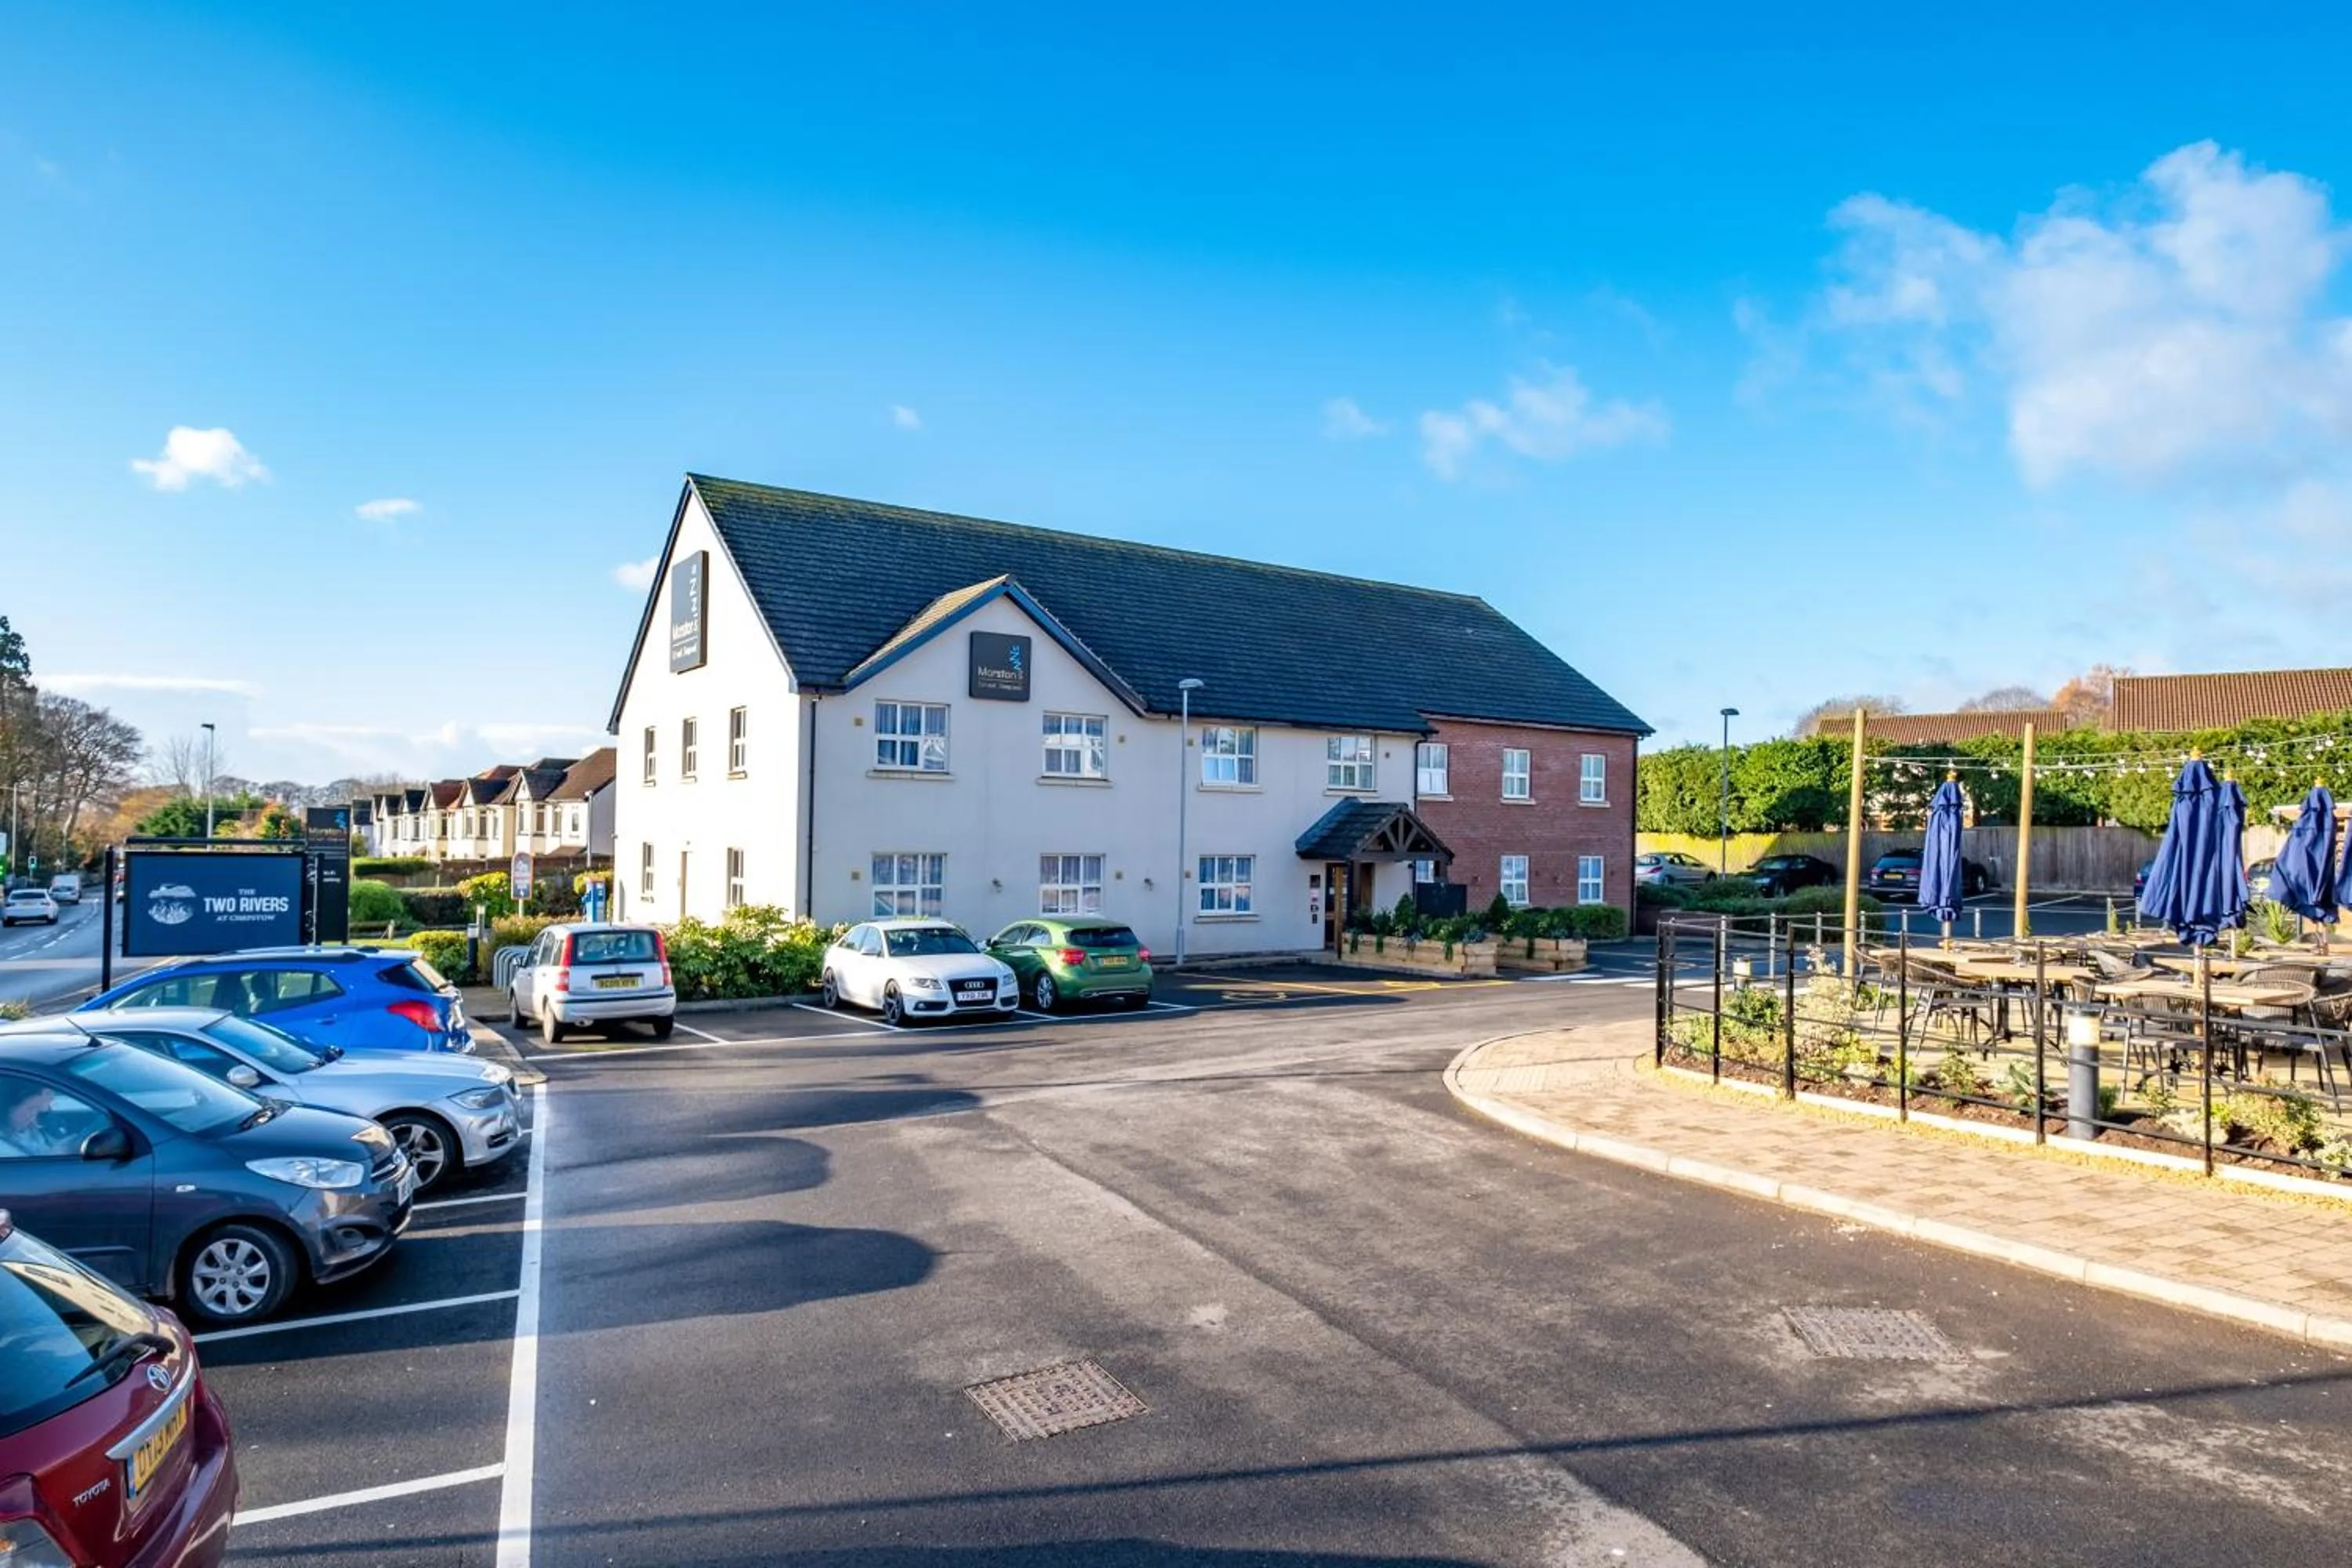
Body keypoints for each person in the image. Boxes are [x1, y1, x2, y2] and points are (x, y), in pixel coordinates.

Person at [0, 1083, 67, 1157]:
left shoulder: (30, 1131)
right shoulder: (4, 1146)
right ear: (9, 1110)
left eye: (37, 1110)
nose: (34, 1116)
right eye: (31, 1109)